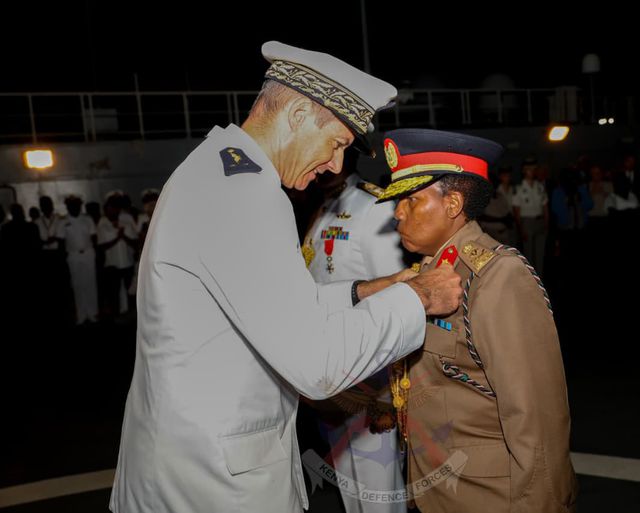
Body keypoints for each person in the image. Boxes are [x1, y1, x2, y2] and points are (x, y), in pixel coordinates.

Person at [110, 41, 462, 513]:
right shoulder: (243, 195)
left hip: (190, 461)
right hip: (212, 483)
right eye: (337, 143)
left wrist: (368, 290)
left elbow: (272, 305)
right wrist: (417, 298)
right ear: (297, 115)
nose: (337, 165)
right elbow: (317, 365)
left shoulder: (220, 172)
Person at [376, 129, 577, 513]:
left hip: (487, 496)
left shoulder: (497, 277)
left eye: (411, 199)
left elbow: (535, 415)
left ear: (452, 204)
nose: (398, 212)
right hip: (438, 487)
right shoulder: (428, 272)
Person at [303, 156, 407, 513]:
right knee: (350, 484)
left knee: (378, 490)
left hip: (369, 376)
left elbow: (395, 299)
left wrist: (386, 394)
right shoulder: (323, 207)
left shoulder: (373, 206)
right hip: (333, 373)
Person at [56, 196, 98, 325]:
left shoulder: (87, 219)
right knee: (77, 284)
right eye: (71, 205)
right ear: (67, 207)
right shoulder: (62, 221)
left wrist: (96, 253)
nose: (74, 207)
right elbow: (60, 241)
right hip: (73, 255)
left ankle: (93, 313)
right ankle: (81, 314)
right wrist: (63, 258)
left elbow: (94, 237)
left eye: (77, 205)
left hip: (88, 253)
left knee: (90, 283)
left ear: (80, 206)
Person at [97, 193, 137, 318]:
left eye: (114, 207)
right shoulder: (102, 222)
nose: (112, 211)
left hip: (128, 262)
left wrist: (123, 236)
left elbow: (135, 242)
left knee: (131, 291)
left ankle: (132, 316)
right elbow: (101, 246)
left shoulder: (127, 219)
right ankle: (116, 316)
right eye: (109, 208)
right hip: (112, 264)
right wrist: (117, 238)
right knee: (114, 292)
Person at [512, 156, 549, 274]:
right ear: (524, 171)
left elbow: (545, 207)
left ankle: (540, 278)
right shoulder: (519, 188)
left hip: (540, 221)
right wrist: (521, 228)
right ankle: (530, 278)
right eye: (529, 169)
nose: (531, 171)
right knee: (529, 254)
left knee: (540, 253)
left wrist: (546, 224)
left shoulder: (540, 186)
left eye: (533, 169)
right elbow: (516, 211)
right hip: (527, 222)